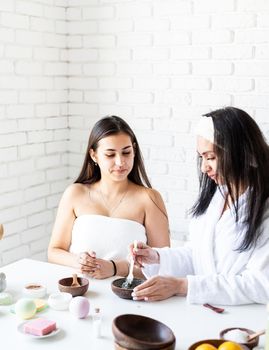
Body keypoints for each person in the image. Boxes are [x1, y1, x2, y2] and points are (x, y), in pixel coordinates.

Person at [131, 107, 269, 305]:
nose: (204, 168)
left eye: (210, 157)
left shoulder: (264, 209)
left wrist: (182, 286)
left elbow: (261, 284)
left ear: (239, 152)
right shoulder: (217, 198)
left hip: (243, 321)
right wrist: (156, 257)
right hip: (204, 312)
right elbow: (198, 254)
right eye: (201, 158)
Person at [48, 115, 170, 279]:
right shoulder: (75, 194)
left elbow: (164, 265)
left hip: (130, 298)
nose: (120, 162)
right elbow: (54, 251)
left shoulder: (149, 199)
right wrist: (78, 261)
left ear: (134, 150)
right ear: (94, 155)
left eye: (126, 152)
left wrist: (114, 268)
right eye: (110, 155)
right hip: (80, 293)